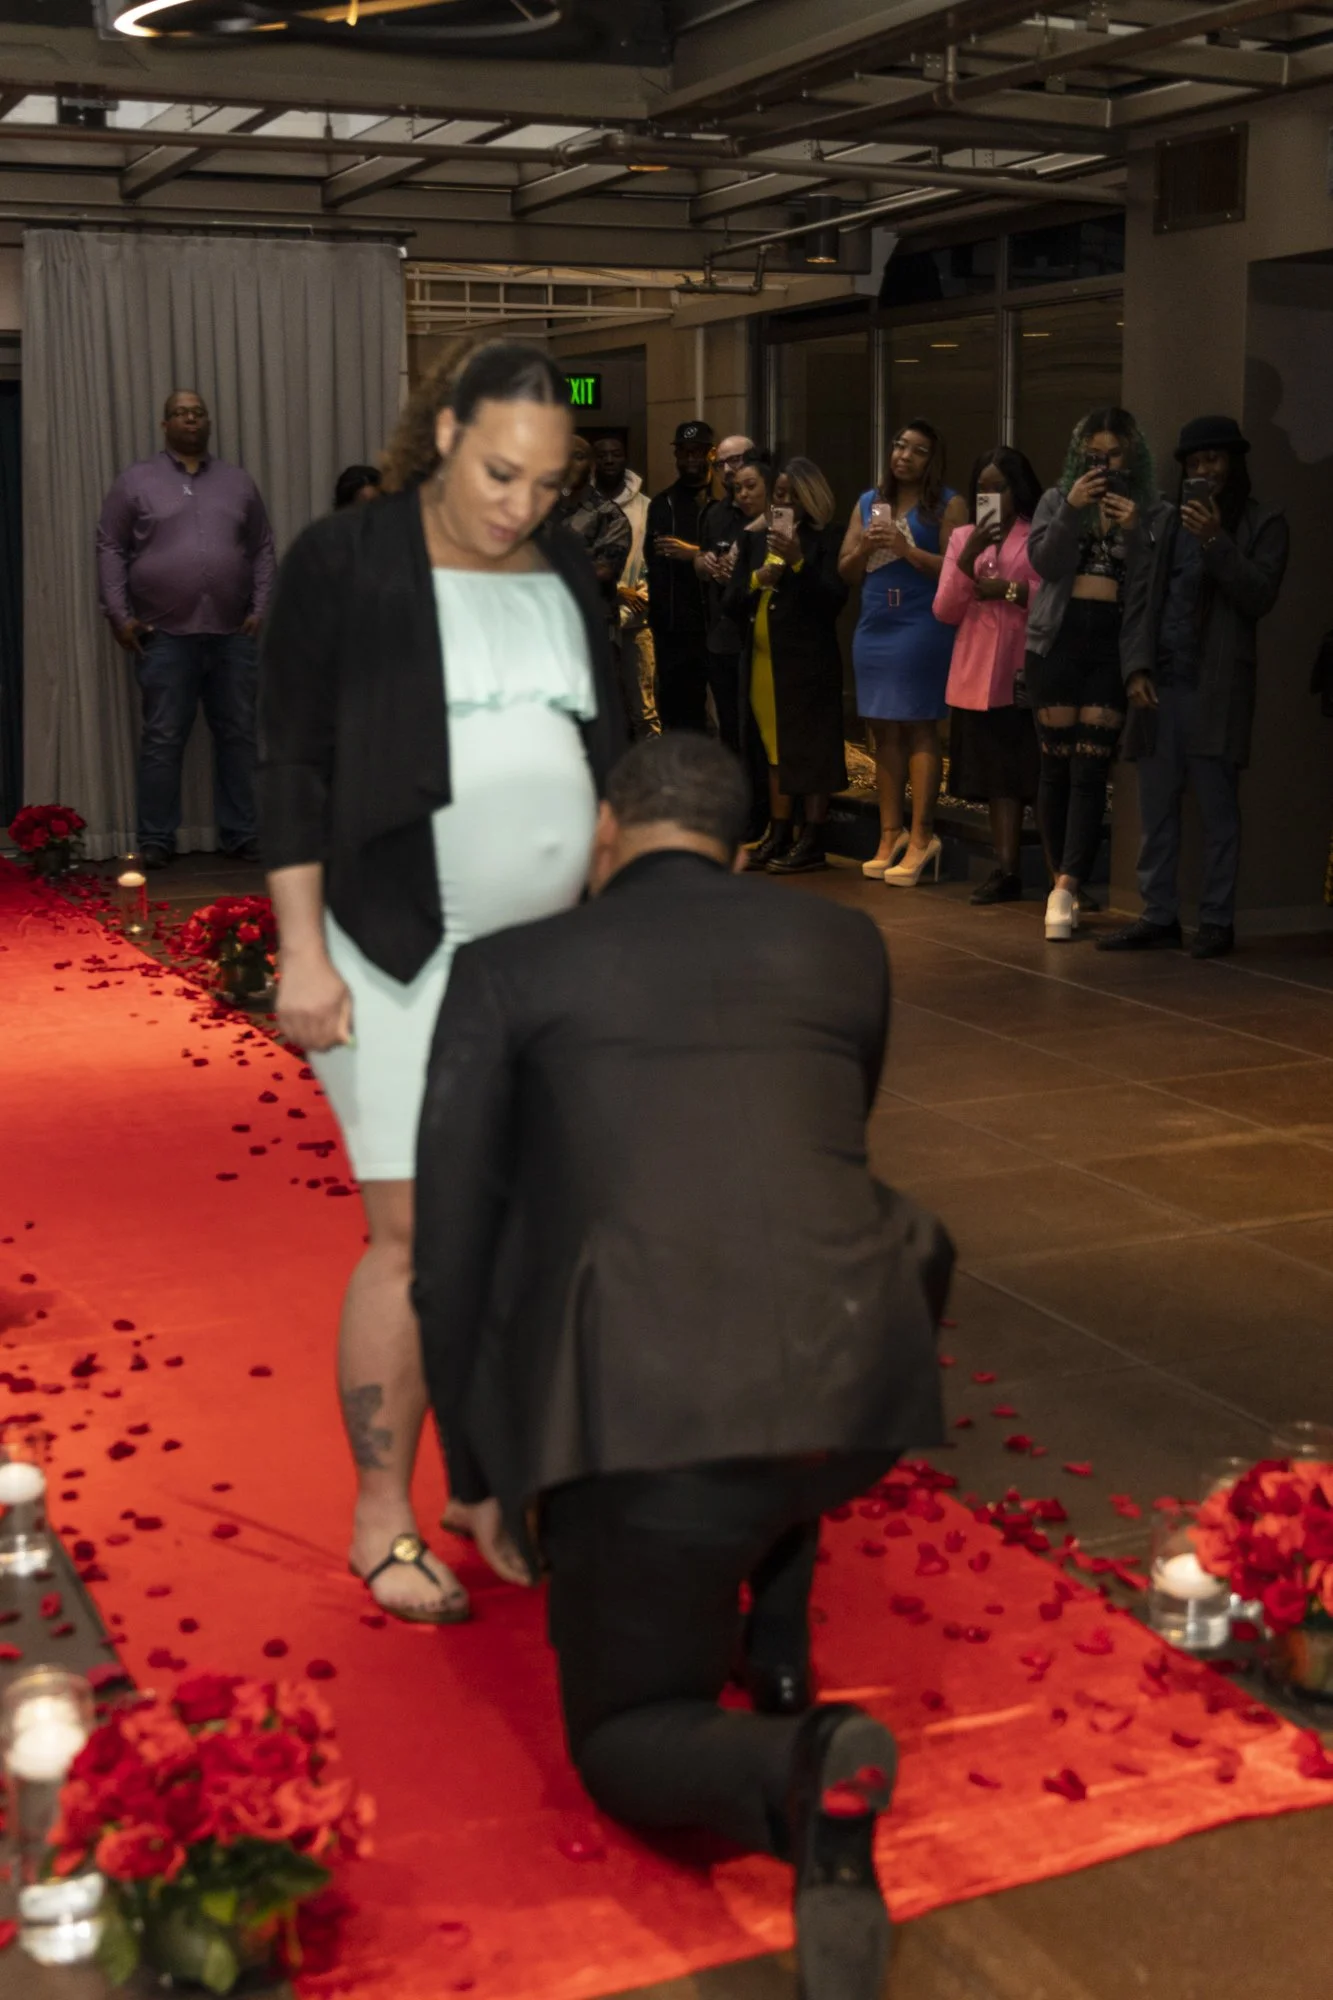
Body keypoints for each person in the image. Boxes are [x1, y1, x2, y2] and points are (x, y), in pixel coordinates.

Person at [413, 732, 951, 2000]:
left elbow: (449, 1246)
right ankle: (774, 1631)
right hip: (852, 1375)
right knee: (784, 1272)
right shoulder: (843, 942)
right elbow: (816, 1137)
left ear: (606, 831)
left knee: (622, 1735)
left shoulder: (508, 967)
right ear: (737, 839)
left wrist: (484, 1472)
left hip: (661, 1414)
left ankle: (803, 1764)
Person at [258, 340, 625, 1625]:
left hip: (547, 959)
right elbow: (293, 762)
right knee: (413, 1237)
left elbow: (607, 747)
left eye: (547, 482)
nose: (520, 503)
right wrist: (301, 949)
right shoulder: (346, 557)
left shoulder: (563, 566)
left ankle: (485, 1482)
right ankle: (380, 1513)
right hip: (394, 945)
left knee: (528, 1227)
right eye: (499, 472)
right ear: (450, 430)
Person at [1100, 416, 1289, 959]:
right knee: (1156, 812)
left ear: (1234, 464)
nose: (1205, 470)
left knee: (1218, 813)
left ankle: (1216, 921)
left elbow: (1258, 595)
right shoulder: (1162, 522)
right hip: (1160, 688)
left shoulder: (1263, 523)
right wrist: (1136, 668)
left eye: (1215, 459)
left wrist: (1215, 541)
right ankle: (1157, 916)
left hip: (1216, 690)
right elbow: (1139, 598)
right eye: (1195, 462)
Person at [97, 389, 276, 869]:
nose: (190, 419)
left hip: (233, 633)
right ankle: (156, 838)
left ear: (208, 422)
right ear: (165, 424)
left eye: (197, 413)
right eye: (180, 413)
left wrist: (261, 607)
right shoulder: (136, 481)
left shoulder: (238, 482)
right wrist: (119, 615)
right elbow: (110, 546)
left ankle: (242, 834)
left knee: (239, 736)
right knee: (162, 739)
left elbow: (262, 546)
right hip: (163, 635)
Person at [1026, 407, 1168, 941]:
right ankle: (1059, 883)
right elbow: (1045, 564)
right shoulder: (1055, 500)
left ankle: (1067, 886)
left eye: (1113, 454)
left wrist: (1134, 530)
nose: (1103, 465)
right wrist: (1071, 509)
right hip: (1057, 641)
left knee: (1090, 769)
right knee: (1054, 766)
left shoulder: (1152, 510)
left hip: (1111, 646)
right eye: (1093, 455)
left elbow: (1152, 584)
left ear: (1132, 456)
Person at [840, 421, 968, 887]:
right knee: (882, 730)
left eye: (917, 450)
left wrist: (904, 548)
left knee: (918, 725)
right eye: (899, 446)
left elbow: (958, 571)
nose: (904, 456)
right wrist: (865, 548)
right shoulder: (868, 502)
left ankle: (921, 836)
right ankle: (888, 833)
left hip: (921, 623)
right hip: (875, 623)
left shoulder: (948, 505)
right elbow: (846, 570)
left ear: (932, 459)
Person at [724, 455, 849, 873]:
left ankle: (812, 837)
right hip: (762, 662)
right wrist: (758, 578)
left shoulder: (826, 538)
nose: (783, 503)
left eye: (793, 496)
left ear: (810, 499)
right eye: (779, 494)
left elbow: (833, 600)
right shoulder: (756, 540)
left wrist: (797, 562)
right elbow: (731, 603)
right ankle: (779, 832)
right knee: (774, 749)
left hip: (808, 664)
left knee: (811, 751)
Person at [935, 449, 1044, 905]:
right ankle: (1006, 869)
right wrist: (970, 555)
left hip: (1025, 671)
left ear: (1018, 489)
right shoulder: (963, 538)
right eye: (982, 488)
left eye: (999, 487)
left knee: (1036, 776)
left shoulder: (1038, 533)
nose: (990, 496)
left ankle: (1063, 877)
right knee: (1000, 780)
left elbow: (1054, 595)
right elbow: (944, 609)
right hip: (979, 675)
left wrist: (1012, 590)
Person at [645, 419, 715, 731]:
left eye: (697, 451)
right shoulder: (664, 504)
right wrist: (659, 620)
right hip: (674, 628)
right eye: (684, 451)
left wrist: (693, 553)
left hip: (717, 624)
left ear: (711, 453)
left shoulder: (725, 502)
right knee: (677, 710)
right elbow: (656, 562)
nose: (690, 458)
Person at [694, 431, 756, 752]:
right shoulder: (714, 513)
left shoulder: (769, 511)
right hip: (722, 633)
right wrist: (704, 563)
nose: (728, 470)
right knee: (728, 724)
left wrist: (742, 572)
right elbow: (699, 561)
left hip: (759, 634)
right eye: (720, 464)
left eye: (736, 460)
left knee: (757, 728)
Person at [592, 435, 657, 735]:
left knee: (645, 709)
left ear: (625, 457)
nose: (609, 460)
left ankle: (650, 764)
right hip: (594, 618)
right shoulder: (580, 507)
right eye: (602, 455)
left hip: (637, 619)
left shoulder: (646, 507)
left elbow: (652, 560)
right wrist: (617, 592)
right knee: (599, 708)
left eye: (615, 454)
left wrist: (639, 596)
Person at [551, 434, 632, 631]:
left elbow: (602, 571)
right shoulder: (542, 511)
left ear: (592, 466)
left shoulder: (609, 515)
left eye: (578, 457)